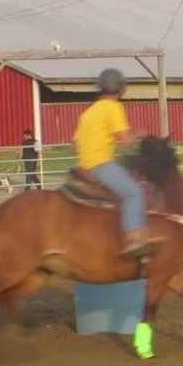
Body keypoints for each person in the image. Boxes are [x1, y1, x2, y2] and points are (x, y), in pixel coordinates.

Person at [71, 69, 152, 259]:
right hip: (101, 164)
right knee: (134, 192)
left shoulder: (88, 112)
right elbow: (126, 140)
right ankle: (133, 239)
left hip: (83, 166)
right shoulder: (113, 107)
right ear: (120, 89)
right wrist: (138, 133)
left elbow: (74, 145)